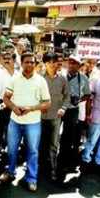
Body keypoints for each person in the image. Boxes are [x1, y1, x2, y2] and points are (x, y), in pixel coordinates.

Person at [0, 52, 51, 192]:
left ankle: (32, 178)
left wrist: (31, 108)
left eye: (32, 62)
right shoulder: (14, 79)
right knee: (11, 149)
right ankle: (10, 172)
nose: (29, 64)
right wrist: (14, 108)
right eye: (27, 62)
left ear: (35, 64)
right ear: (21, 63)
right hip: (15, 121)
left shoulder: (41, 80)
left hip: (33, 122)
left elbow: (47, 103)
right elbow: (6, 98)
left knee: (33, 151)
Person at [58, 54, 91, 178]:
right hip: (59, 108)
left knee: (68, 135)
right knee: (53, 132)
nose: (71, 65)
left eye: (74, 63)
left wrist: (79, 99)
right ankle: (49, 158)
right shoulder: (60, 75)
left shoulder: (83, 78)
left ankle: (63, 160)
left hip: (73, 110)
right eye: (70, 62)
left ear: (79, 65)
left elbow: (88, 94)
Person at [40, 52, 70, 181]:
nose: (52, 65)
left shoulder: (62, 79)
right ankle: (39, 168)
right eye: (49, 62)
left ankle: (53, 169)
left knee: (53, 144)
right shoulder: (39, 78)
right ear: (44, 64)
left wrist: (63, 108)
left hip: (56, 117)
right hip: (40, 117)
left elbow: (67, 96)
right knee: (40, 144)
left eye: (54, 62)